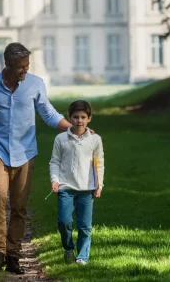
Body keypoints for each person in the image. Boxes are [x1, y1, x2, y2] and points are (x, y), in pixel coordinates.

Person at [0, 42, 85, 274]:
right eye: (21, 67)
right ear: (8, 65)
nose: (25, 70)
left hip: (25, 154)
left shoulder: (35, 84)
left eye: (27, 65)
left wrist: (76, 130)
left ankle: (13, 254)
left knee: (19, 207)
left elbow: (49, 113)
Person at [49, 100, 104, 266]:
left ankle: (82, 257)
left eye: (83, 117)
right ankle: (68, 247)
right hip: (66, 187)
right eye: (75, 117)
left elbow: (99, 163)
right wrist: (55, 180)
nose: (79, 120)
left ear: (89, 119)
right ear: (69, 118)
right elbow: (54, 161)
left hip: (87, 188)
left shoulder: (95, 139)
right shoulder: (61, 139)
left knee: (84, 226)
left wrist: (99, 185)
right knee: (64, 221)